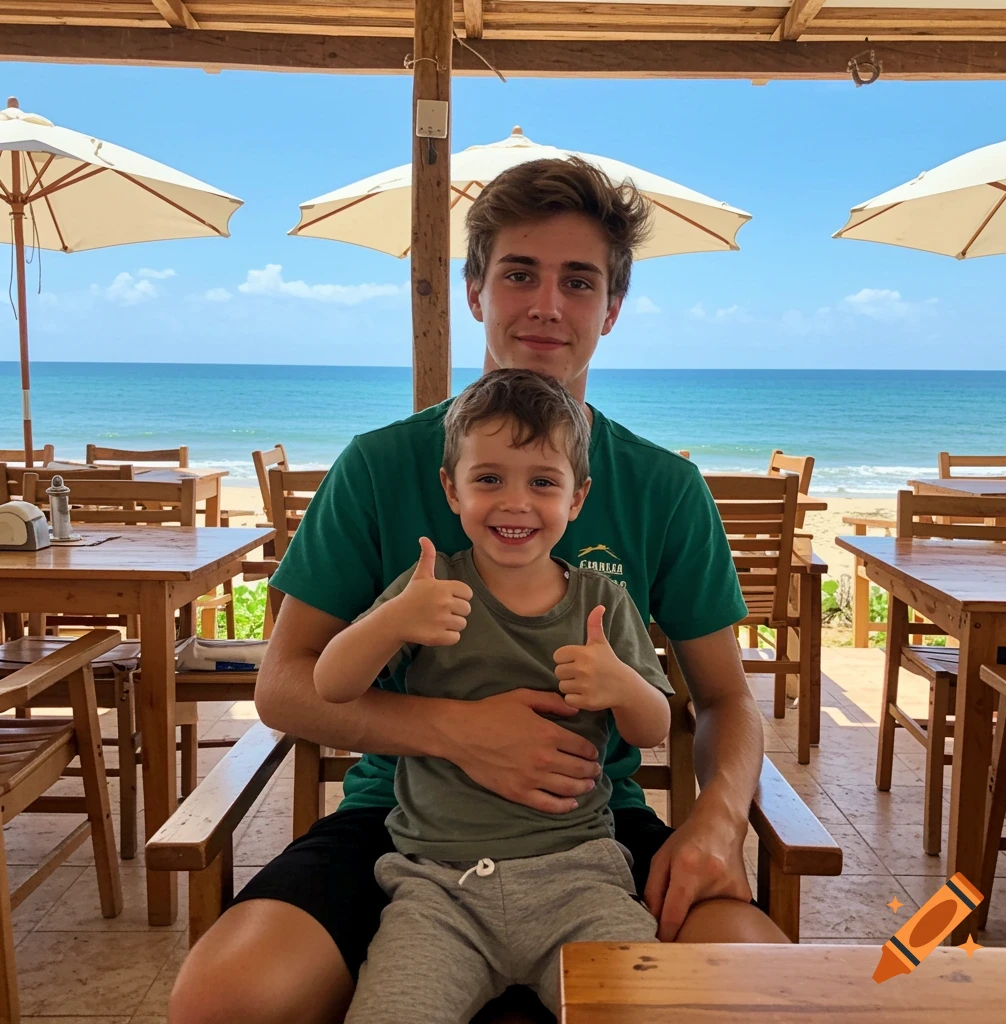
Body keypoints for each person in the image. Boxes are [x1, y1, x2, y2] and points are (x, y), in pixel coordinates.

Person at [169, 155, 786, 1024]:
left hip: (589, 828)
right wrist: (456, 733)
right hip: (402, 822)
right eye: (519, 274)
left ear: (611, 309)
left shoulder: (664, 488)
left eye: (579, 281)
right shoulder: (379, 465)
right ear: (474, 292)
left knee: (763, 988)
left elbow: (724, 698)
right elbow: (284, 684)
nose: (546, 304)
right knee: (224, 1001)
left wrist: (718, 819)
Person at [316, 368, 673, 1022]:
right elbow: (330, 685)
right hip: (437, 887)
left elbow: (653, 727)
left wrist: (621, 684)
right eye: (488, 479)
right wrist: (391, 622)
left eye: (542, 482)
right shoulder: (428, 590)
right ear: (451, 490)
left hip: (582, 880)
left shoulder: (602, 601)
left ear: (578, 498)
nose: (515, 502)